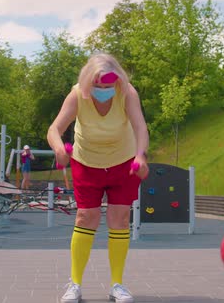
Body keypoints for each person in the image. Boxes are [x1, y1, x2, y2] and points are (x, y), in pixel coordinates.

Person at [47, 53, 149, 303]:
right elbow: (54, 129)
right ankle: (75, 284)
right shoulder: (77, 94)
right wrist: (59, 149)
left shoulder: (126, 92)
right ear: (88, 82)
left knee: (120, 218)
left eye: (108, 86)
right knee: (86, 216)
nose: (103, 90)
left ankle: (117, 285)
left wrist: (141, 155)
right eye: (98, 86)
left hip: (124, 161)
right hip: (87, 161)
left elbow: (140, 127)